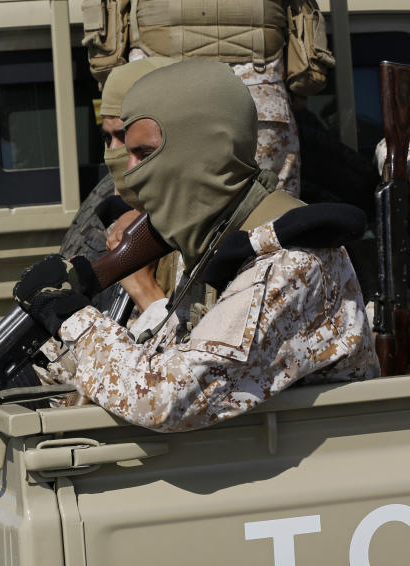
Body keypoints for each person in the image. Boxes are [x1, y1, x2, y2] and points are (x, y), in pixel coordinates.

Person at [25, 60, 378, 432]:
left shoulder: (293, 262)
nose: (129, 172)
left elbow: (166, 400)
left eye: (144, 154)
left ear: (201, 149)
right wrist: (47, 348)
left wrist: (73, 319)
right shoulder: (214, 242)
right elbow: (158, 353)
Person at [81, 0, 327, 198]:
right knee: (269, 221)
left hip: (157, 92)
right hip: (258, 95)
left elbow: (107, 54)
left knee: (145, 222)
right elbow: (307, 66)